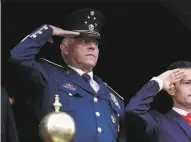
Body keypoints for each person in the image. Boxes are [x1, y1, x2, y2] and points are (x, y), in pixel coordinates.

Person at [9, 8, 125, 142]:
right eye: (83, 41)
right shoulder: (50, 76)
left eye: (95, 43)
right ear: (65, 49)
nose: (92, 47)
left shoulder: (113, 97)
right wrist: (48, 30)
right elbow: (18, 57)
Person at [126, 61, 191, 142]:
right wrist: (159, 81)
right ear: (171, 90)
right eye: (187, 83)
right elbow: (134, 109)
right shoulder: (160, 123)